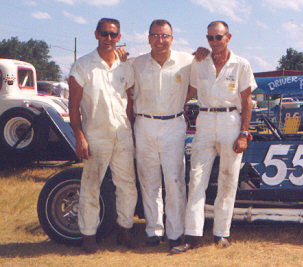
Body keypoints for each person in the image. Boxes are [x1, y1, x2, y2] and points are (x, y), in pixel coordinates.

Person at [174, 20, 257, 252]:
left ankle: (221, 233)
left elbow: (246, 100)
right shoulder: (199, 62)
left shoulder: (241, 64)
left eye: (218, 37)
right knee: (197, 178)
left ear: (228, 37)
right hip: (206, 121)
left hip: (231, 121)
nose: (213, 42)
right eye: (209, 38)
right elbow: (188, 91)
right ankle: (192, 235)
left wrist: (243, 133)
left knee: (228, 180)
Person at [128, 19, 198, 252]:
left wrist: (178, 102)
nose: (160, 40)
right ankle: (153, 230)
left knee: (175, 181)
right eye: (155, 35)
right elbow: (127, 89)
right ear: (148, 38)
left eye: (165, 35)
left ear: (172, 37)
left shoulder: (187, 61)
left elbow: (194, 87)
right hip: (145, 124)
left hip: (173, 125)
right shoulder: (136, 63)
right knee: (149, 181)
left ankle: (176, 233)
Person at [68, 17, 137, 253]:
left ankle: (124, 230)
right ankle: (88, 235)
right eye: (104, 33)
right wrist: (79, 136)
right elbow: (73, 105)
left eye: (113, 34)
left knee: (127, 185)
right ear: (96, 35)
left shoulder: (125, 66)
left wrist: (131, 129)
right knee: (91, 186)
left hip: (123, 134)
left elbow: (129, 102)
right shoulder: (83, 66)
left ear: (119, 37)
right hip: (95, 136)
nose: (109, 38)